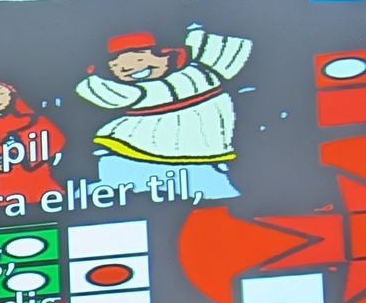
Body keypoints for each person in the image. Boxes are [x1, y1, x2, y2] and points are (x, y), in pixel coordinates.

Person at [74, 25, 251, 201]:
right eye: (116, 64)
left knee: (210, 191)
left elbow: (228, 51)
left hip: (202, 158)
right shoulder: (135, 92)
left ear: (166, 55)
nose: (128, 68)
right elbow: (100, 92)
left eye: (139, 58)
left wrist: (196, 33)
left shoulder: (201, 75)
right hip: (134, 153)